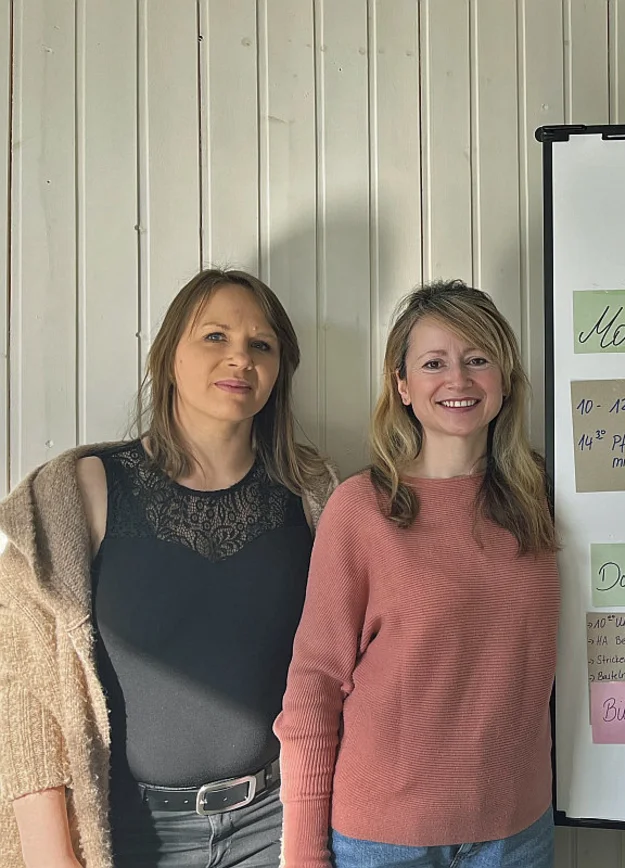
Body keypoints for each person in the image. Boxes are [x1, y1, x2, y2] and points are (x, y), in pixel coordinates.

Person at [0, 270, 337, 868]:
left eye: (261, 344)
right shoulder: (80, 493)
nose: (240, 357)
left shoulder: (313, 495)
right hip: (130, 834)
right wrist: (52, 854)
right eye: (215, 336)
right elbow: (21, 683)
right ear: (169, 356)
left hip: (276, 825)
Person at [275, 280, 559, 868]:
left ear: (504, 379)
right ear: (402, 385)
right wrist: (303, 847)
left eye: (477, 359)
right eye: (434, 363)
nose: (458, 380)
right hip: (382, 839)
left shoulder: (542, 500)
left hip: (517, 831)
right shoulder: (362, 508)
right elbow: (316, 682)